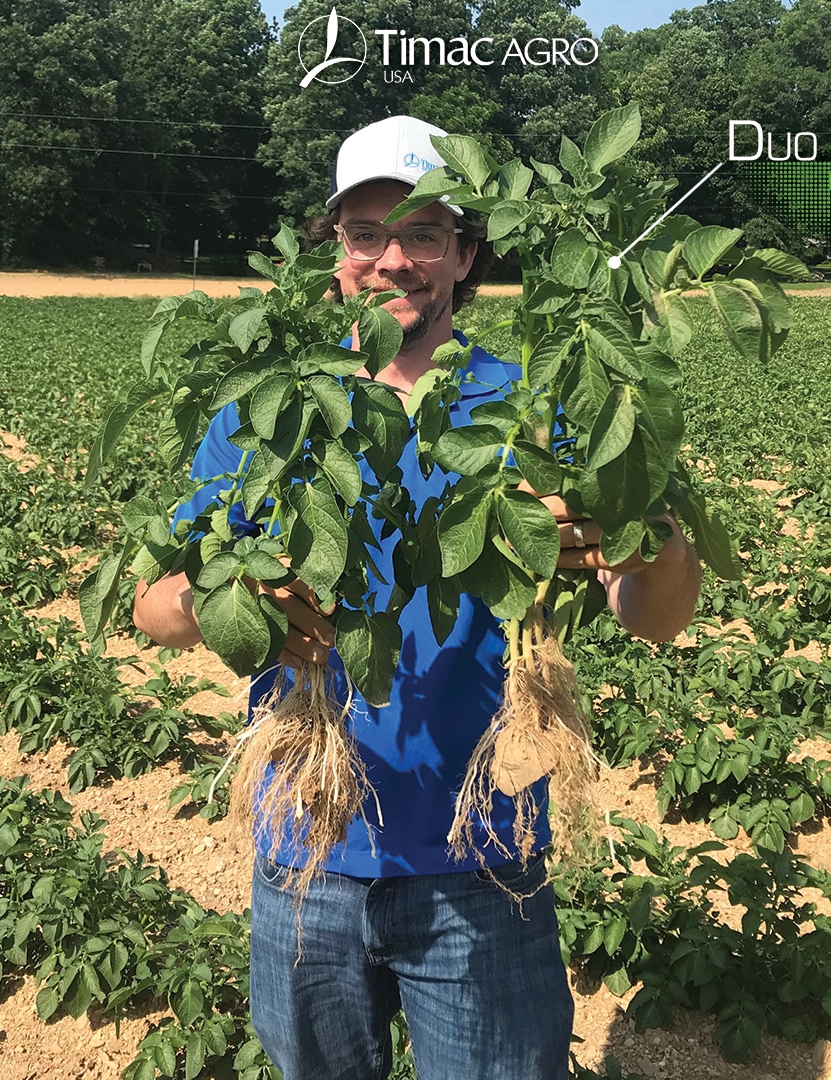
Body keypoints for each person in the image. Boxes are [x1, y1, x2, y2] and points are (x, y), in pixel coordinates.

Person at [132, 115, 702, 1080]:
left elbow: (654, 616)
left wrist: (652, 539)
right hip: (308, 841)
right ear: (334, 254)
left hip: (484, 852)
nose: (394, 261)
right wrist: (234, 591)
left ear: (467, 252)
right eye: (366, 235)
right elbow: (153, 603)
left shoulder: (542, 398)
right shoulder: (268, 405)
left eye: (426, 233)